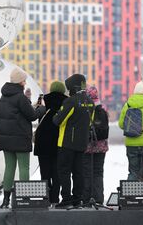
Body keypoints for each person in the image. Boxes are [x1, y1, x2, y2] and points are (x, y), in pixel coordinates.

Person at [0, 67, 46, 209]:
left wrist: (30, 106)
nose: (25, 82)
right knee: (24, 167)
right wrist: (41, 108)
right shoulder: (20, 97)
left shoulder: (3, 97)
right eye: (23, 80)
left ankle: (6, 200)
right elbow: (32, 116)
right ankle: (24, 198)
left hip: (6, 140)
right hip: (20, 138)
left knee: (9, 168)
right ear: (20, 82)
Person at [52, 74, 93, 209]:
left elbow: (58, 121)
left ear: (72, 87)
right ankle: (77, 199)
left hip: (66, 143)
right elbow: (90, 121)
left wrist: (57, 113)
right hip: (82, 143)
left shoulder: (71, 101)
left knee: (64, 171)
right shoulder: (89, 101)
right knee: (78, 172)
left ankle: (66, 199)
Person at [33, 81, 67, 205]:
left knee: (45, 171)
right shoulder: (66, 101)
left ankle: (45, 198)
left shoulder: (43, 100)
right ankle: (55, 198)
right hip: (59, 141)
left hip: (43, 141)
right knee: (57, 172)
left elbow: (35, 113)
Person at [81, 86, 109, 205]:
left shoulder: (84, 110)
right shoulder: (102, 110)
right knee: (98, 172)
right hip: (101, 147)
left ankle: (86, 198)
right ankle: (98, 198)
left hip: (87, 147)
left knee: (86, 172)